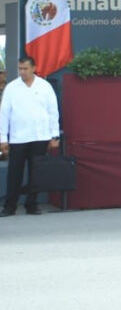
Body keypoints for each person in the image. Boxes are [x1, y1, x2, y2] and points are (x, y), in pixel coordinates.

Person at [0, 56, 60, 216]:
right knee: (14, 174)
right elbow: (4, 114)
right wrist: (3, 139)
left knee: (36, 173)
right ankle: (9, 206)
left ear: (34, 68)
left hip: (40, 136)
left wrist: (54, 136)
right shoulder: (12, 88)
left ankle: (31, 204)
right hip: (18, 138)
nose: (22, 72)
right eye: (20, 69)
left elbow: (53, 112)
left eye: (25, 68)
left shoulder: (45, 86)